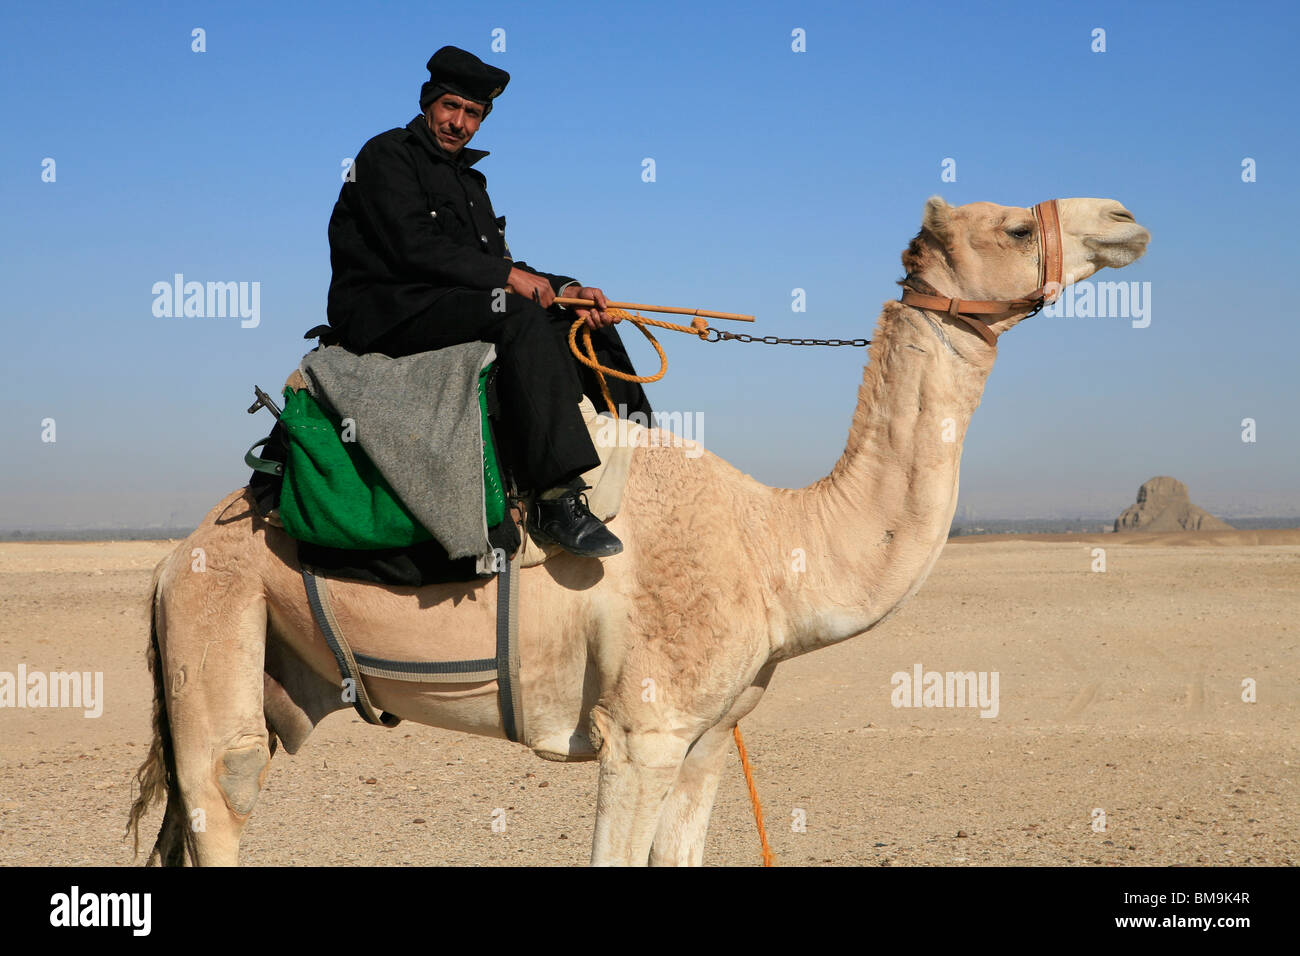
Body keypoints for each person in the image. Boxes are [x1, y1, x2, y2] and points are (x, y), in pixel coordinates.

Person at [322, 46, 652, 558]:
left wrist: (566, 290)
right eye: (450, 107)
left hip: (449, 303)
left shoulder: (469, 181)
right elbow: (415, 249)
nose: (458, 122)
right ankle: (555, 496)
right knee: (516, 312)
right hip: (387, 310)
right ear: (429, 101)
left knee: (585, 321)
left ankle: (644, 450)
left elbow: (495, 260)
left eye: (472, 113)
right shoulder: (384, 156)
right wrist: (507, 277)